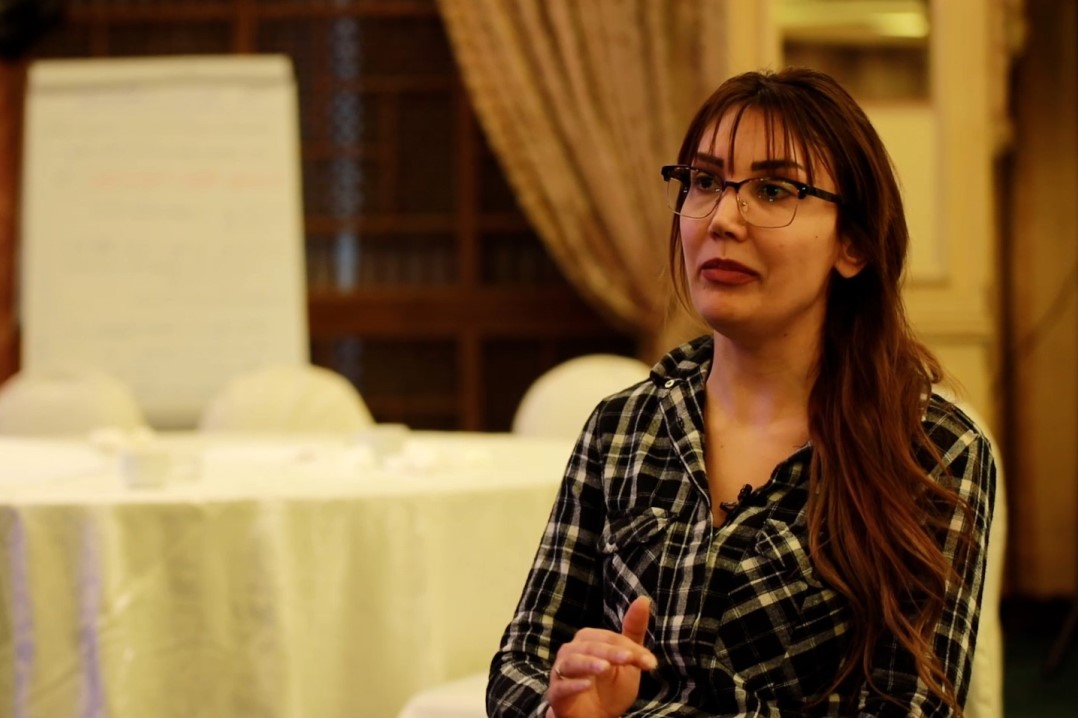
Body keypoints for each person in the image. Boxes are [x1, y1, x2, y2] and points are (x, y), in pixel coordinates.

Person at [487, 67, 997, 718]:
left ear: (853, 243)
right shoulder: (623, 427)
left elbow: (909, 706)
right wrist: (565, 706)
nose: (724, 218)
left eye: (774, 189)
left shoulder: (932, 451)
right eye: (704, 182)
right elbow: (520, 666)